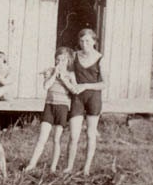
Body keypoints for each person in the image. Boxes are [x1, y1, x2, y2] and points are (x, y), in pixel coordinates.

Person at [24, 47, 77, 172]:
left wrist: (63, 79)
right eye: (57, 60)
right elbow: (46, 86)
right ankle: (32, 164)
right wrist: (54, 74)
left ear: (68, 61)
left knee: (56, 139)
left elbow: (75, 90)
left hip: (62, 107)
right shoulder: (50, 71)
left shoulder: (70, 74)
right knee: (42, 138)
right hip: (49, 106)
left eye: (63, 60)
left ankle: (53, 167)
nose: (60, 63)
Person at [65, 28, 108, 176]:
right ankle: (69, 167)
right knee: (73, 135)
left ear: (94, 42)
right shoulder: (75, 56)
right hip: (78, 98)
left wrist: (85, 86)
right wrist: (74, 85)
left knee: (90, 134)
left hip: (93, 98)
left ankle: (86, 168)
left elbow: (104, 84)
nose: (84, 44)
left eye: (88, 41)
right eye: (82, 41)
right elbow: (71, 74)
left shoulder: (100, 58)